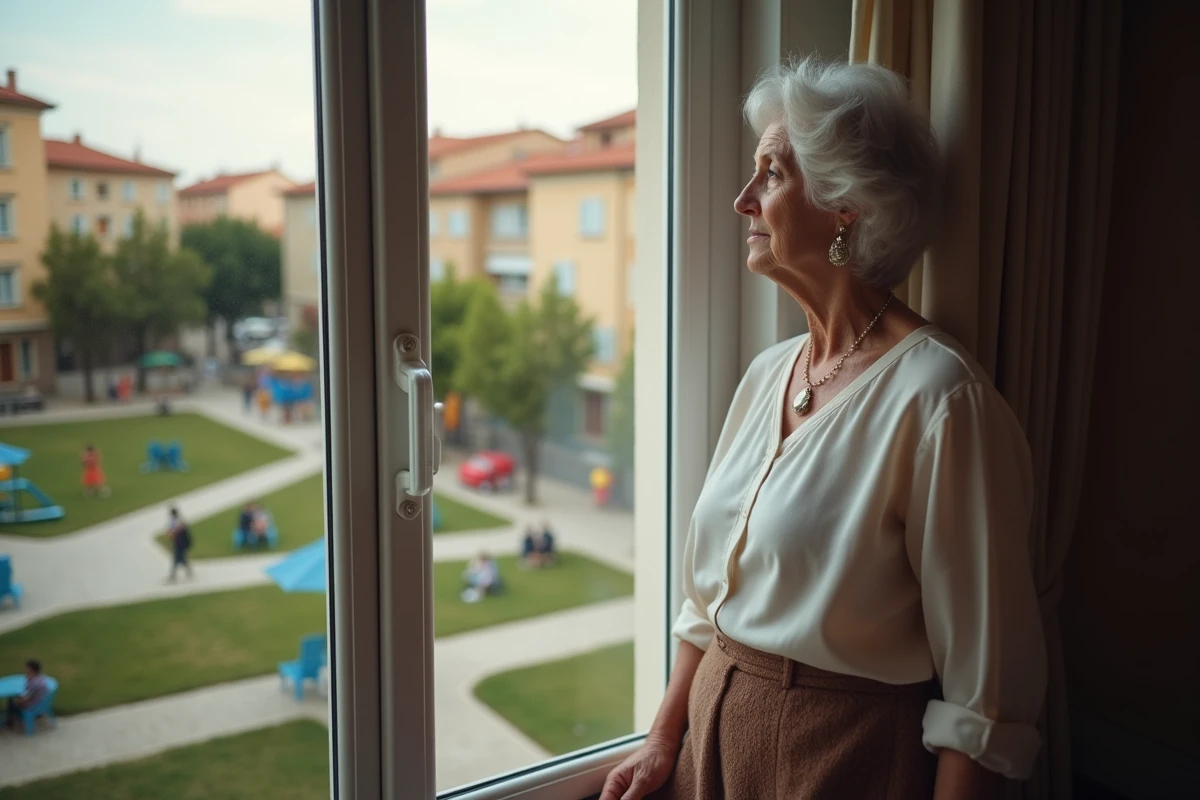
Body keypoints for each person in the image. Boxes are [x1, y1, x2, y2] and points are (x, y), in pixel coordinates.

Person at [602, 59, 1046, 800]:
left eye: (771, 174)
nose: (742, 200)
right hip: (707, 753)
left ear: (847, 205)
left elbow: (984, 702)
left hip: (840, 762)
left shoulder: (939, 399)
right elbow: (706, 607)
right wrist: (661, 742)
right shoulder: (767, 374)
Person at [5, 659, 49, 730]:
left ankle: (11, 721)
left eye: (26, 668)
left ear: (30, 669)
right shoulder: (41, 678)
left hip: (32, 705)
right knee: (16, 697)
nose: (25, 670)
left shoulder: (33, 683)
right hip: (40, 702)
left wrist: (16, 701)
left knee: (11, 701)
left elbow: (25, 699)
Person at [166, 507, 193, 582]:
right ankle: (187, 570)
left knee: (177, 558)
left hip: (180, 543)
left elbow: (177, 530)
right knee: (180, 558)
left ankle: (173, 575)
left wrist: (173, 533)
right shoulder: (178, 520)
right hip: (178, 542)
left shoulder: (177, 521)